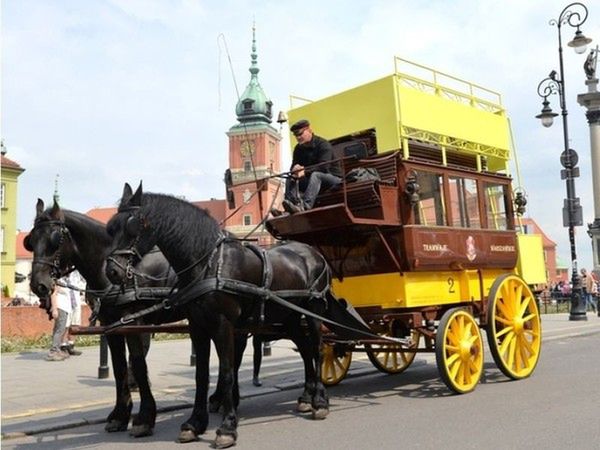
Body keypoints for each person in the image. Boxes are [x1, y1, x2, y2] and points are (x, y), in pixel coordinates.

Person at [275, 119, 342, 215]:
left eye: (300, 134)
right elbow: (293, 167)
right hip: (313, 181)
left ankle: (305, 206)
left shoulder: (323, 144)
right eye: (296, 136)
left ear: (309, 130)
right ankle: (290, 208)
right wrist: (294, 170)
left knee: (316, 175)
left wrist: (304, 171)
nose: (298, 137)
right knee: (290, 178)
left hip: (333, 179)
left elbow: (324, 167)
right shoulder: (298, 149)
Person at [46, 276, 72, 361]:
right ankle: (53, 351)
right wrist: (54, 309)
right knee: (59, 330)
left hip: (65, 308)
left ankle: (57, 349)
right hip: (60, 307)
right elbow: (53, 294)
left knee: (61, 329)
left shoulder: (65, 280)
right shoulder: (56, 281)